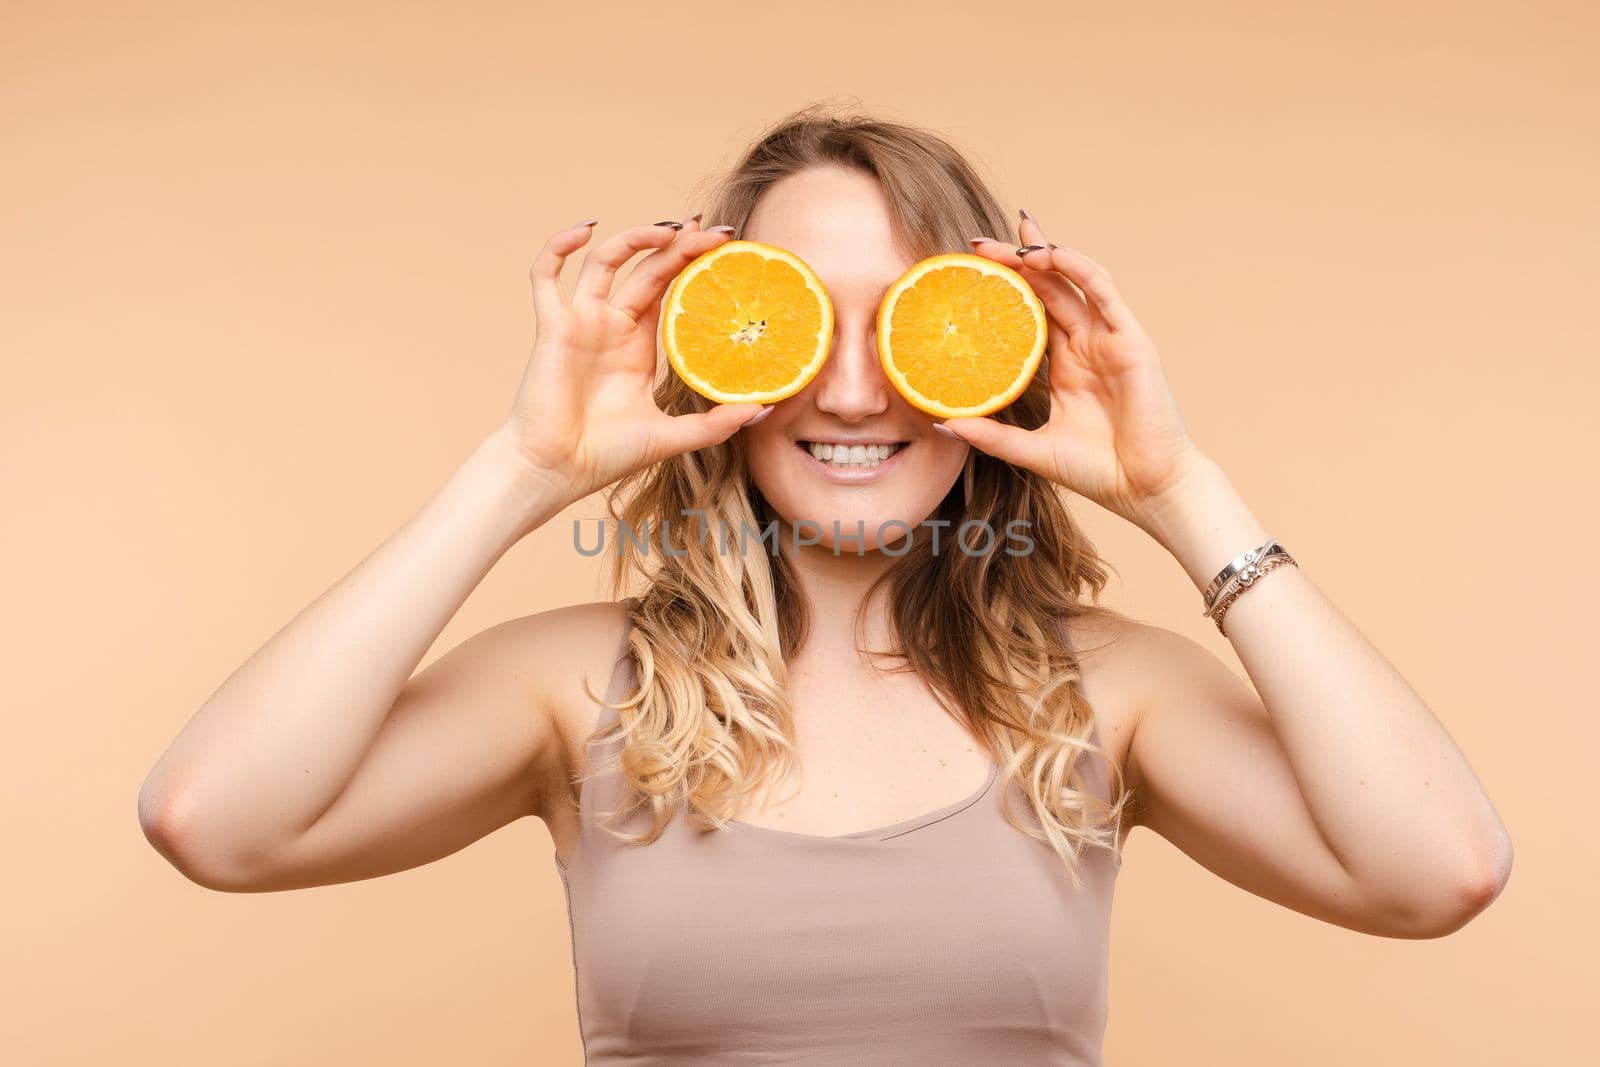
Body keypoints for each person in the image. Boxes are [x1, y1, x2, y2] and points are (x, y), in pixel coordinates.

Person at [138, 105, 1513, 1064]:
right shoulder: (578, 687)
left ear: (1002, 353)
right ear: (712, 351)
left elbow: (1439, 870)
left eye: (917, 323)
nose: (854, 387)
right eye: (790, 317)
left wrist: (1176, 492)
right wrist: (523, 466)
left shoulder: (1109, 692)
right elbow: (214, 821)